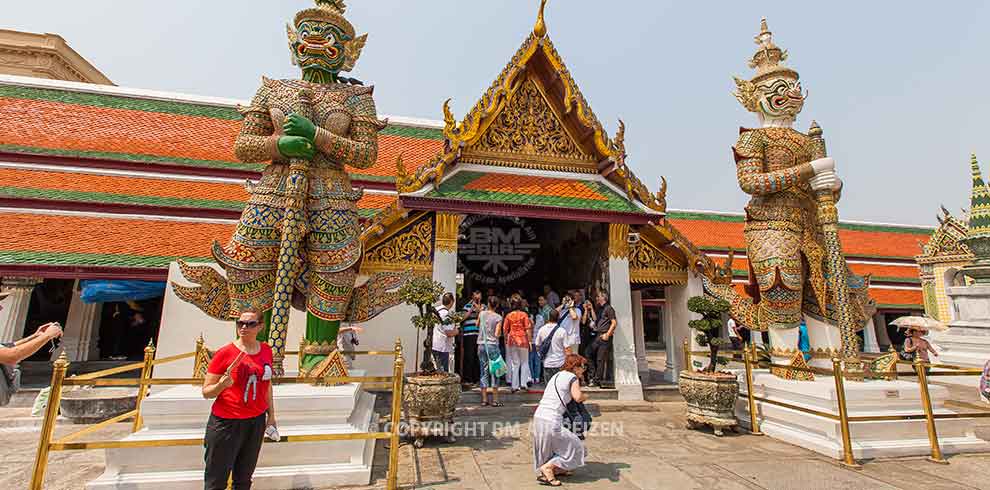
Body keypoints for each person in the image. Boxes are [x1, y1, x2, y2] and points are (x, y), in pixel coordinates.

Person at [201, 308, 276, 490]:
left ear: (260, 326)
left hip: (255, 421)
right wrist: (221, 385)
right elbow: (206, 391)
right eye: (240, 323)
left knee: (244, 478)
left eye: (250, 324)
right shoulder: (225, 353)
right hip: (227, 422)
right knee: (216, 480)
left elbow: (267, 385)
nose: (244, 327)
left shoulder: (266, 350)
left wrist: (271, 416)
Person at [532, 354, 588, 486]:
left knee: (549, 448)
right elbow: (577, 397)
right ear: (575, 367)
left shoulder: (556, 375)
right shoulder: (572, 378)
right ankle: (549, 468)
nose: (583, 370)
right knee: (577, 447)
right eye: (582, 367)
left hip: (539, 416)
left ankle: (556, 470)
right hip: (552, 419)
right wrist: (586, 396)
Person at [584, 292, 616, 386]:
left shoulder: (609, 308)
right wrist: (591, 309)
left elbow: (614, 323)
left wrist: (607, 334)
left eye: (598, 296)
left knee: (600, 359)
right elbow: (596, 320)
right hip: (598, 335)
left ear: (603, 298)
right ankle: (593, 375)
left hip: (604, 336)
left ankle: (596, 380)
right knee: (587, 353)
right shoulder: (600, 309)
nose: (597, 298)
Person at [477, 295, 504, 407]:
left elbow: (477, 324)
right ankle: (495, 400)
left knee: (484, 371)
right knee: (495, 371)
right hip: (493, 345)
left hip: (481, 345)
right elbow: (497, 334)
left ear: (488, 304)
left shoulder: (482, 314)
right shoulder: (498, 317)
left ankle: (484, 399)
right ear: (497, 305)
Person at [503, 298, 533, 392]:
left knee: (515, 363)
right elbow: (528, 329)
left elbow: (505, 329)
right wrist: (530, 341)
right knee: (524, 362)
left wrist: (505, 339)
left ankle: (514, 385)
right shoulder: (524, 315)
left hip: (512, 339)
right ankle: (523, 383)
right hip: (523, 339)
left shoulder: (509, 315)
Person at [458, 290, 483, 385]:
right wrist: (471, 310)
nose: (477, 299)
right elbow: (461, 318)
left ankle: (476, 378)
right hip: (468, 335)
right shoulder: (466, 306)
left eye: (479, 297)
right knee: (469, 356)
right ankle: (468, 378)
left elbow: (485, 317)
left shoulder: (483, 307)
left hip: (479, 335)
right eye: (476, 297)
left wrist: (479, 310)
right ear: (472, 297)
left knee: (478, 357)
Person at [536, 309, 567, 383]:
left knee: (549, 388)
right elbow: (567, 349)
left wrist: (542, 356)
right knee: (559, 387)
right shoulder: (562, 331)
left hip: (547, 363)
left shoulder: (541, 330)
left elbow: (537, 346)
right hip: (560, 363)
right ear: (558, 318)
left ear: (548, 317)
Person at [432, 293, 458, 372]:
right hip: (442, 347)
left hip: (434, 344)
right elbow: (449, 333)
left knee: (437, 370)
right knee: (443, 372)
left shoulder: (436, 310)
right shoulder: (446, 314)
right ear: (452, 302)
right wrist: (456, 331)